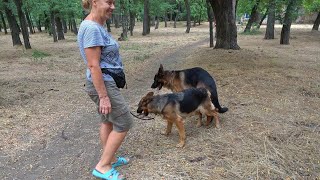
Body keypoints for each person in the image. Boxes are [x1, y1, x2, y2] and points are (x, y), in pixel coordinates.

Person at [77, 0, 133, 179]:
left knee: (108, 121)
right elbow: (93, 65)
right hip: (103, 84)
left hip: (105, 82)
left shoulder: (98, 25)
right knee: (124, 121)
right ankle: (103, 165)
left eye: (114, 2)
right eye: (109, 2)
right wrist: (104, 96)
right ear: (94, 2)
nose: (113, 7)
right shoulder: (92, 28)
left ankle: (111, 158)